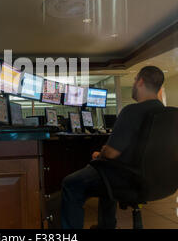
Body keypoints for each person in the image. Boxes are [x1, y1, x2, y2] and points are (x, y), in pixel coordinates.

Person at [61, 66, 166, 229]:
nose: (133, 84)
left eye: (134, 80)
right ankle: (107, 226)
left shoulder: (132, 111)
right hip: (155, 178)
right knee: (107, 175)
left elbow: (110, 153)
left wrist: (100, 153)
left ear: (140, 82)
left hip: (128, 177)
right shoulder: (167, 113)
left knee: (71, 183)